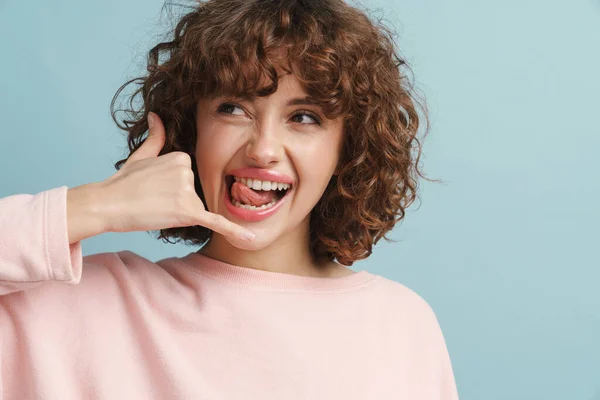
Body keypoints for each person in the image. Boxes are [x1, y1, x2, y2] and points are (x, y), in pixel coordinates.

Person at [0, 0, 459, 398]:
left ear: (347, 147)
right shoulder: (78, 306)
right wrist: (98, 205)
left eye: (303, 117)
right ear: (192, 129)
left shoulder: (399, 326)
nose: (262, 149)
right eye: (233, 109)